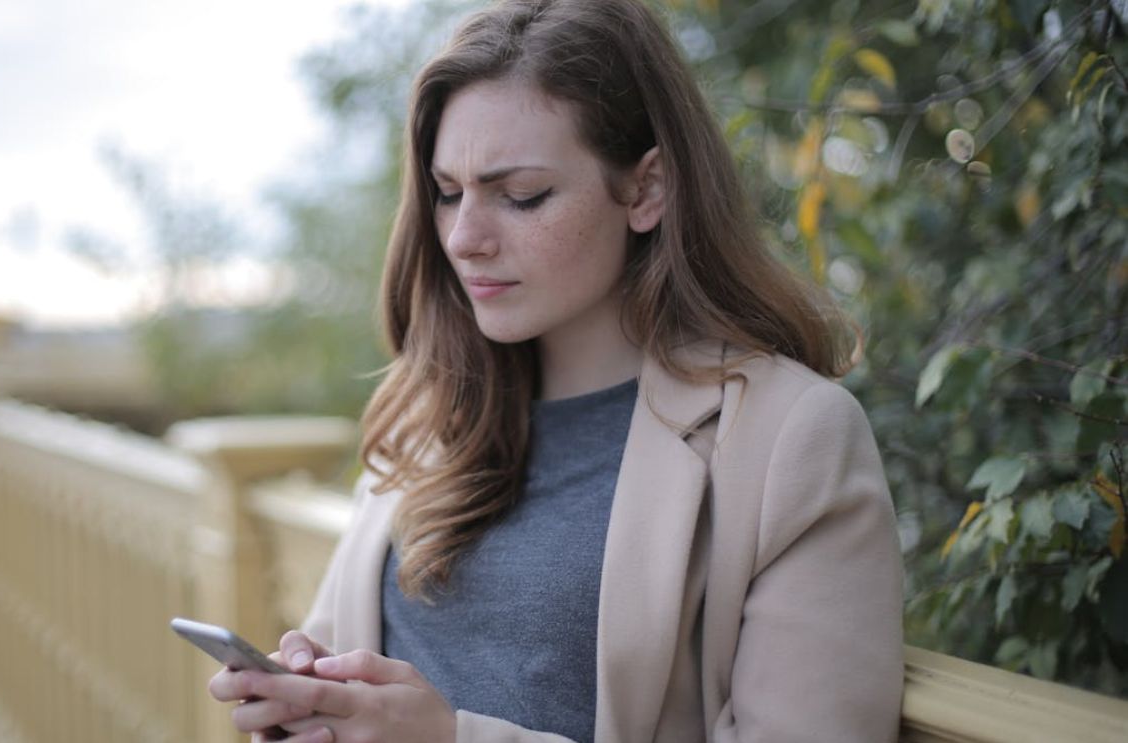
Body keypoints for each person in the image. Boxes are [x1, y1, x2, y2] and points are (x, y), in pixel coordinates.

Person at [208, 0, 904, 740]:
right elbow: (347, 656)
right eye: (447, 193)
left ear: (646, 189)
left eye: (521, 196)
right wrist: (305, 702)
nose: (465, 237)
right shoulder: (430, 415)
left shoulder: (790, 438)